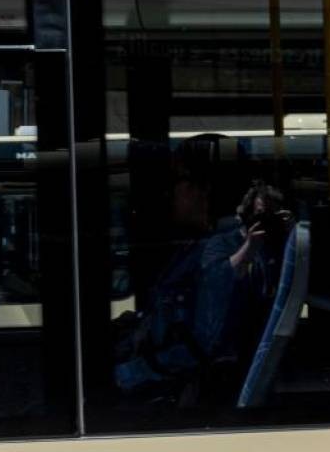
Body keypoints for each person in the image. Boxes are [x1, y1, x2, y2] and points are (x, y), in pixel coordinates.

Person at [114, 136, 284, 403]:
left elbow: (199, 349)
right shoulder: (195, 246)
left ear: (206, 188)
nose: (169, 193)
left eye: (179, 181)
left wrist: (120, 375)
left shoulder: (219, 251)